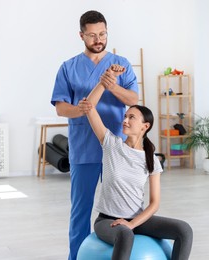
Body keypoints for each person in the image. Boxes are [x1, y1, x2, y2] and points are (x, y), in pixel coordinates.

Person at [50, 11, 138, 260]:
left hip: (117, 148)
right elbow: (60, 108)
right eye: (92, 35)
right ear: (81, 35)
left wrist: (112, 85)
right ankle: (76, 257)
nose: (98, 39)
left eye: (102, 34)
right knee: (81, 211)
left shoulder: (121, 63)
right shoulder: (68, 68)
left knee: (122, 208)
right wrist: (83, 109)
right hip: (84, 148)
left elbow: (133, 99)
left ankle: (121, 254)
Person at [84, 64, 193, 260]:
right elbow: (89, 107)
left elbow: (154, 204)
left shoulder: (151, 158)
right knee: (125, 235)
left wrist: (132, 223)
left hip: (137, 220)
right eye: (125, 116)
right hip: (107, 220)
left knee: (184, 230)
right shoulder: (111, 144)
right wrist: (105, 80)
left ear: (145, 126)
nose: (125, 120)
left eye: (131, 117)